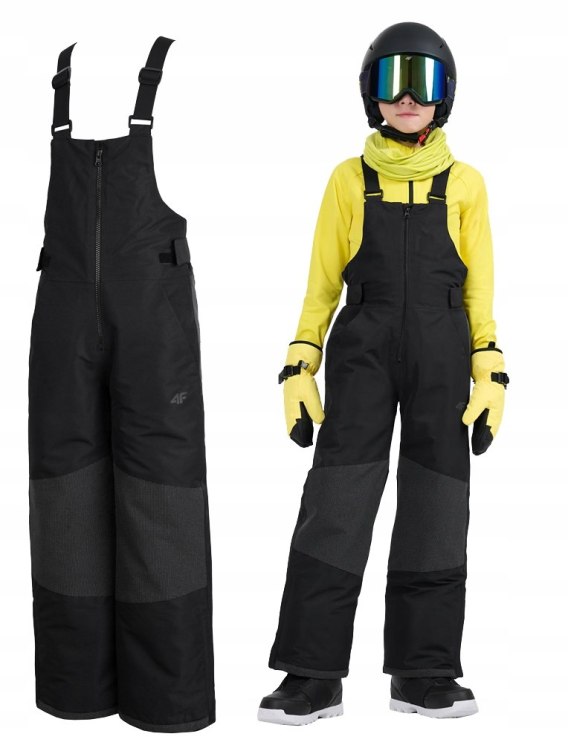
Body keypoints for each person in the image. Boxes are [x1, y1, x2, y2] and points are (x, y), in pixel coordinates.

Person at [258, 21, 509, 725]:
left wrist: (489, 369)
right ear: (371, 93)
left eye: (422, 83)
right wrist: (300, 362)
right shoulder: (349, 179)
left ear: (444, 96)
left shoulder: (466, 184)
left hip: (443, 352)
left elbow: (480, 290)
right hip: (362, 349)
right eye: (393, 80)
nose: (406, 97)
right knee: (336, 506)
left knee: (436, 508)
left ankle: (424, 672)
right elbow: (321, 284)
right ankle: (311, 675)